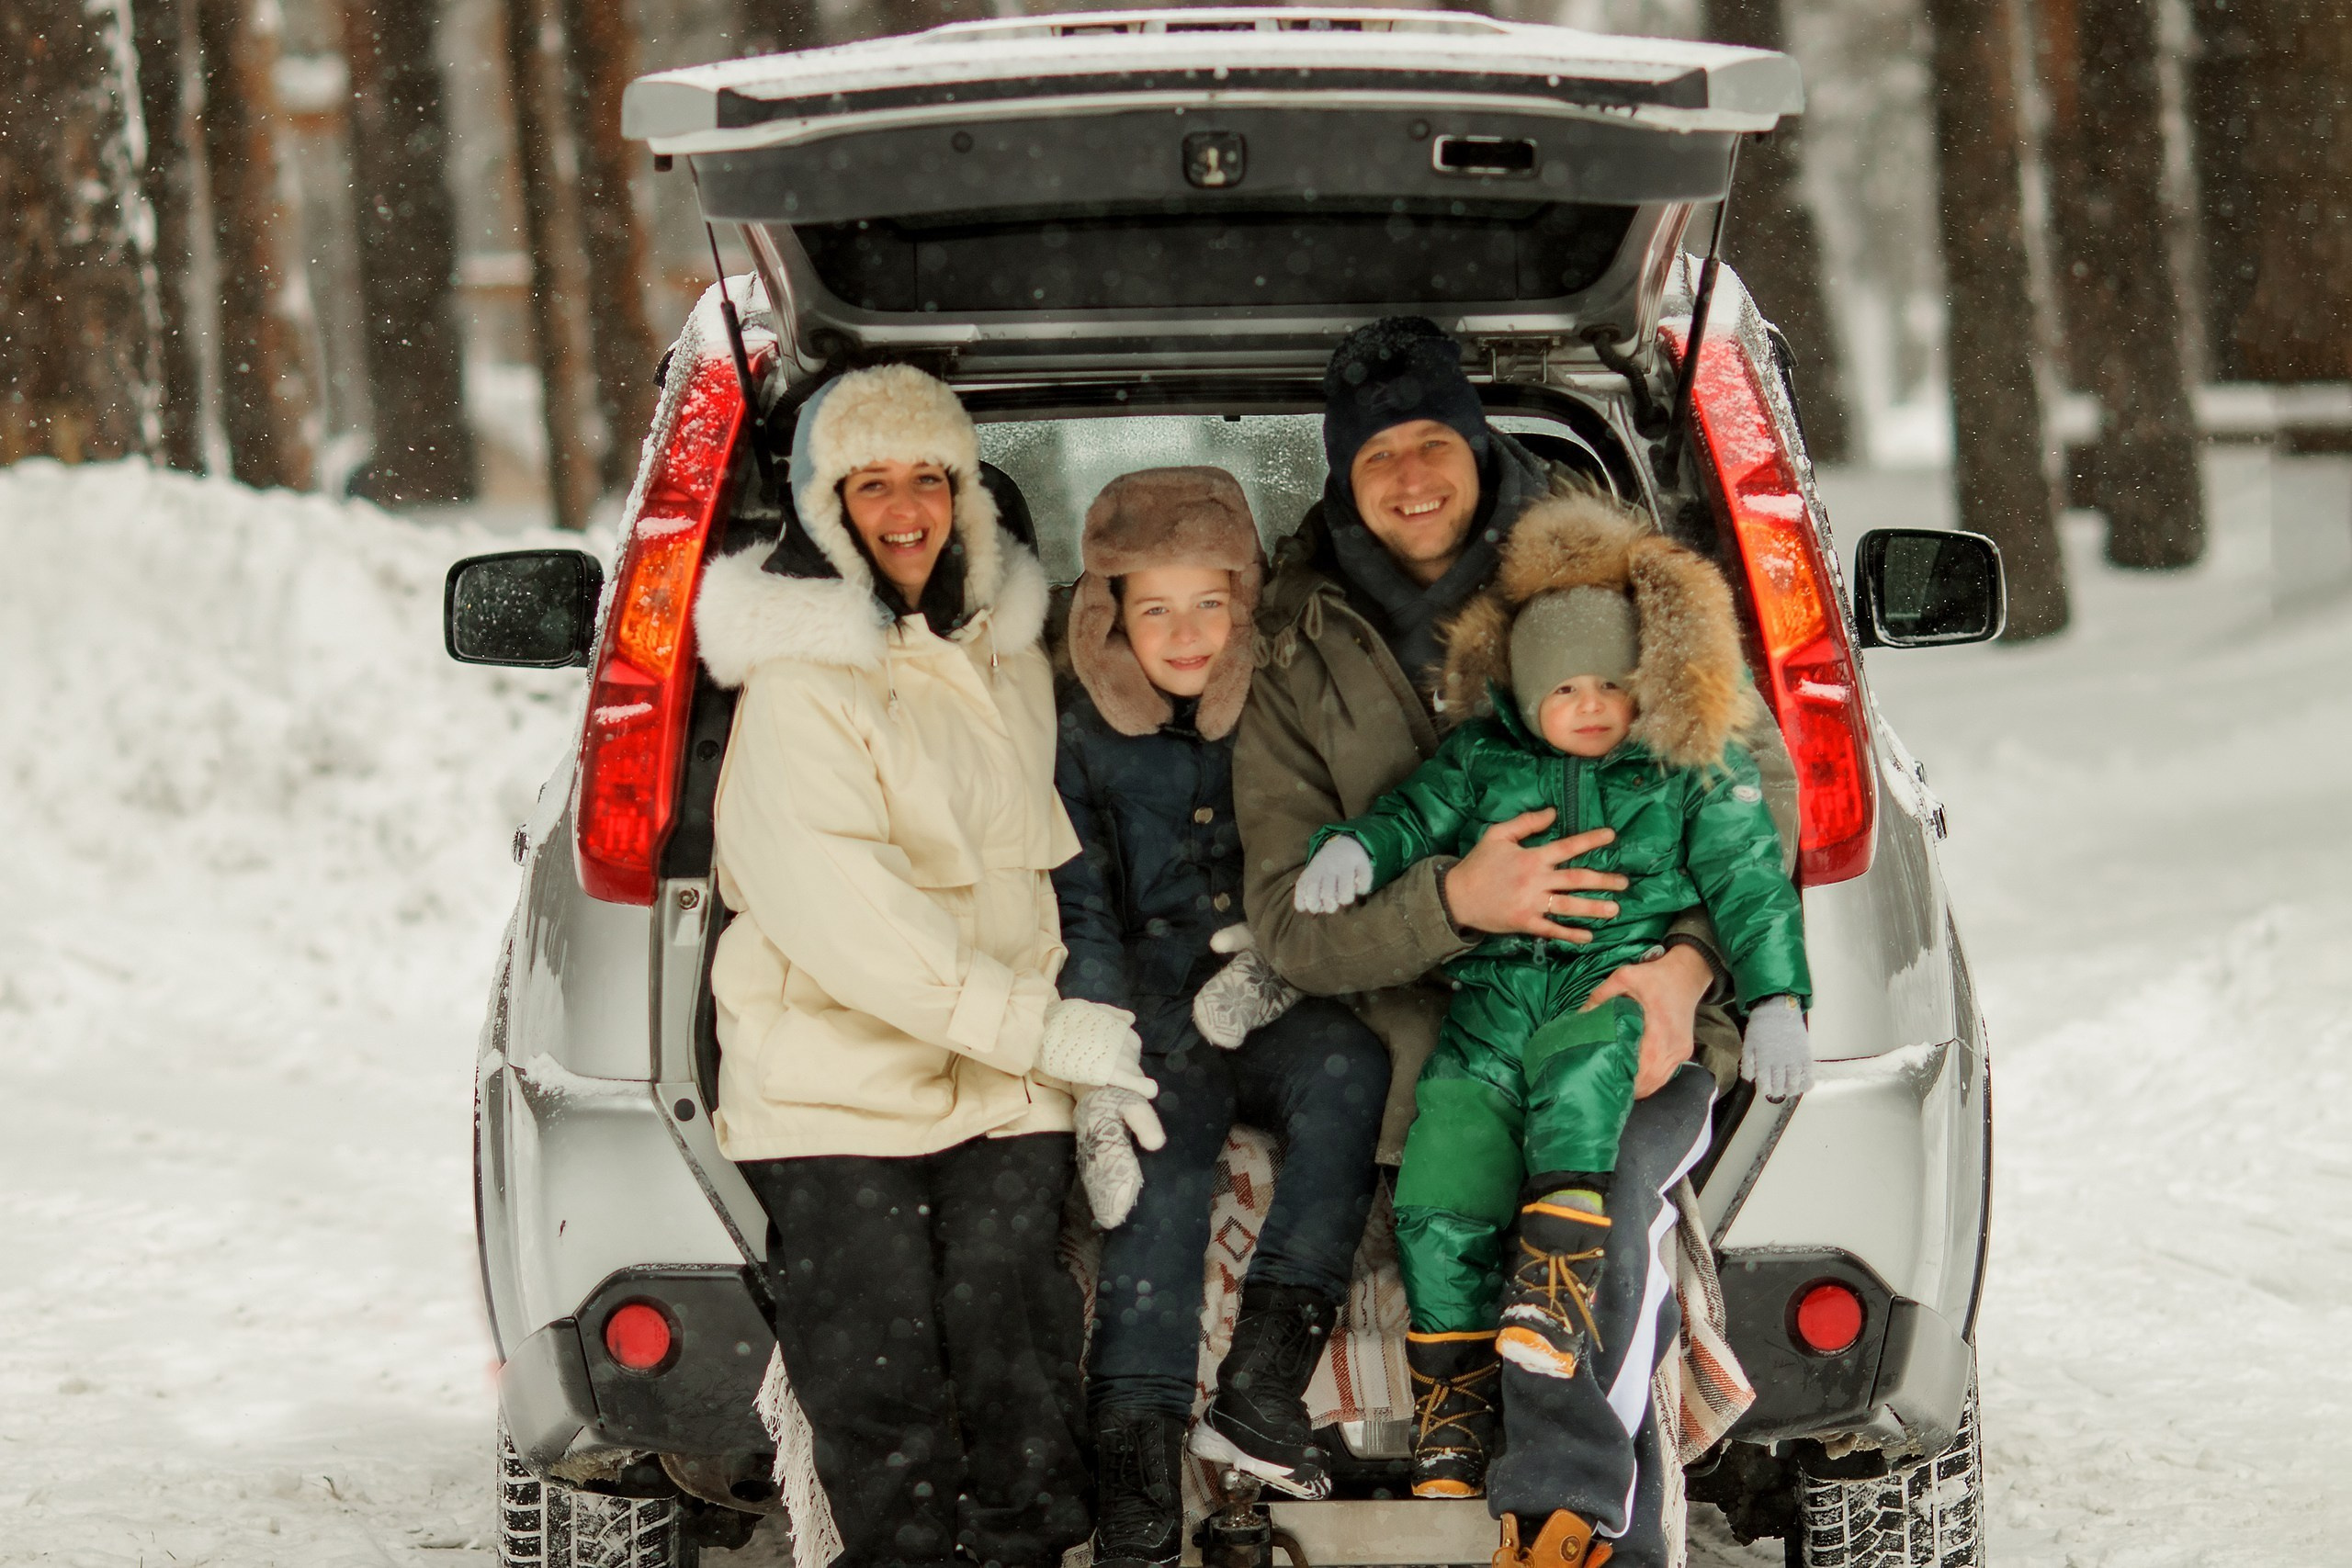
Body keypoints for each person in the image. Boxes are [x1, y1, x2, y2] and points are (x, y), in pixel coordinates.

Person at [1232, 318, 1801, 1568]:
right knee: (1488, 1201)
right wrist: (1457, 902)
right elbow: (1288, 921)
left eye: (1434, 441)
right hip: (1430, 1046)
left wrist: (1693, 964)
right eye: (1377, 456)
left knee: (1595, 1225)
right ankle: (1481, 1464)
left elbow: (1759, 794)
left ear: (1480, 447)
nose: (1412, 476)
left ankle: (1582, 1524)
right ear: (1342, 475)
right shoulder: (1295, 639)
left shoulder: (1606, 586)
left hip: (1626, 1010)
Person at [691, 364, 1160, 1568]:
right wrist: (1042, 1030)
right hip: (833, 1079)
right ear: (824, 507)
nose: (905, 509)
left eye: (929, 479)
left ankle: (1026, 1544)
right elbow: (856, 925)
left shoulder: (1005, 659)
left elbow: (1052, 867)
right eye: (871, 483)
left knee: (1015, 1324)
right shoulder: (798, 682)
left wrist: (1095, 1029)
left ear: (965, 494)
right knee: (875, 1353)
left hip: (997, 1078)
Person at [1050, 467, 1390, 1568]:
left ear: (1245, 603)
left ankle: (1260, 1381)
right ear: (1109, 616)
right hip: (1152, 1004)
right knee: (1159, 1170)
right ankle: (1135, 1452)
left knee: (1349, 1072)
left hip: (1277, 984)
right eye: (1154, 608)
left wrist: (1289, 961)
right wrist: (1100, 1047)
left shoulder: (1285, 702)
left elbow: (1331, 846)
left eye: (1209, 603)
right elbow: (1079, 900)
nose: (1185, 632)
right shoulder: (1079, 736)